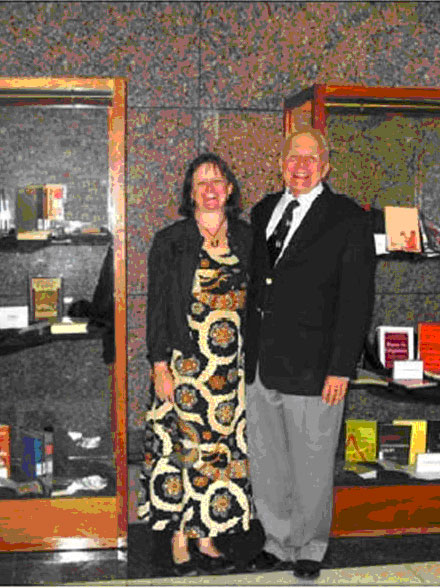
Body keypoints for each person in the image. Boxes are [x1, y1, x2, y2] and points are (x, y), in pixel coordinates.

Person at [244, 128, 376, 580]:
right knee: (268, 460)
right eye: (293, 157)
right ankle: (277, 541)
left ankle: (311, 546)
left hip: (317, 367)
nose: (301, 166)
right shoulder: (263, 210)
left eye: (311, 158)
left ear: (326, 165)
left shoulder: (347, 218)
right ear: (280, 161)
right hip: (260, 364)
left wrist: (342, 367)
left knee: (313, 462)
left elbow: (357, 299)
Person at [139, 153, 254, 576]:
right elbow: (156, 308)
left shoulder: (246, 238)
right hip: (185, 365)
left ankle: (207, 534)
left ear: (229, 190)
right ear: (190, 192)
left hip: (230, 370)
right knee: (183, 451)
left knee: (219, 454)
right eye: (201, 182)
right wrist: (158, 364)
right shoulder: (171, 240)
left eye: (218, 181)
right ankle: (178, 536)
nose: (210, 189)